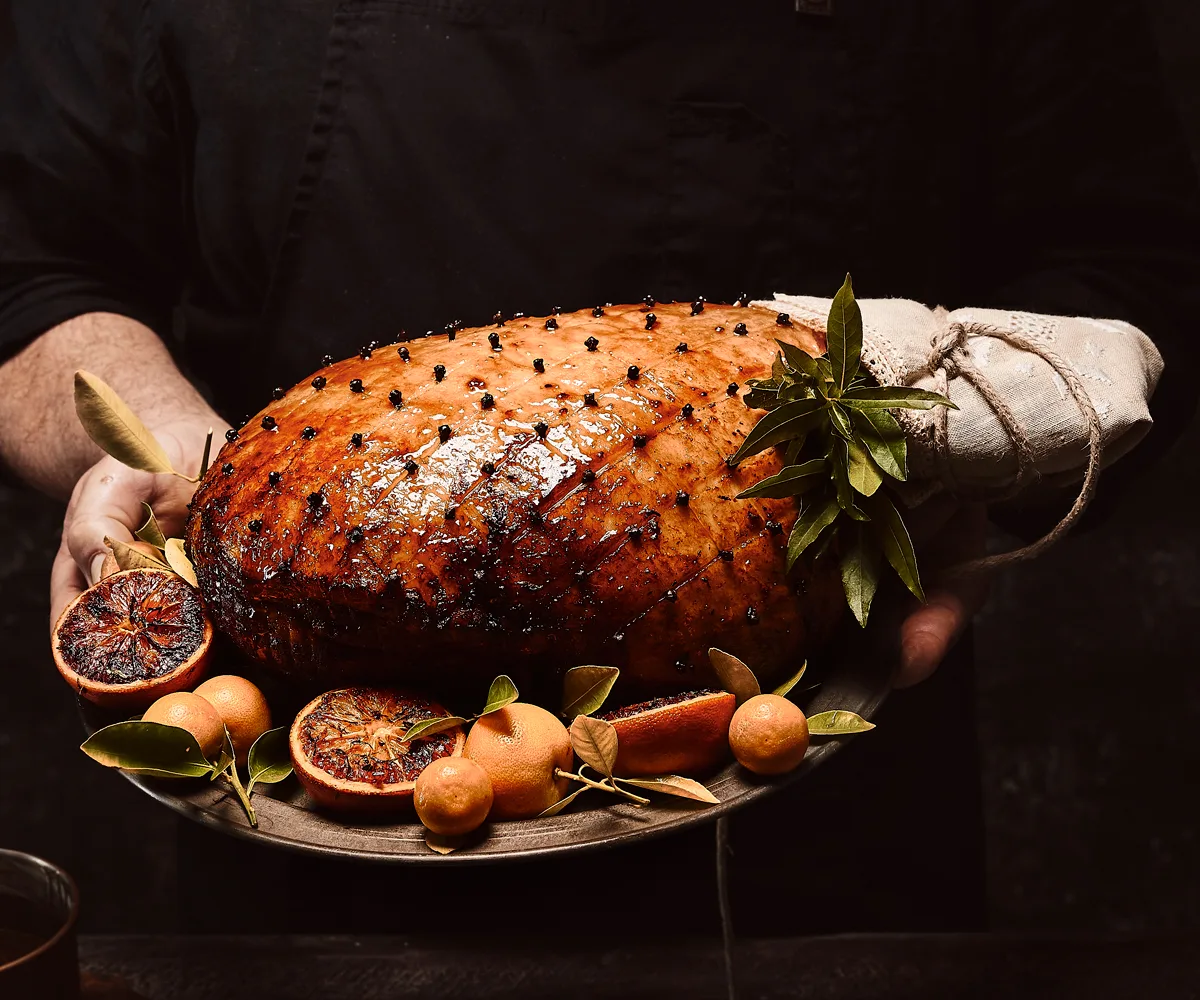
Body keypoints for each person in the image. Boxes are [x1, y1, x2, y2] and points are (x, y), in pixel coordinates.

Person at [1, 0, 1196, 939]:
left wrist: (968, 460)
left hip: (815, 820)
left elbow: (1131, 279)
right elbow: (32, 269)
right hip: (308, 834)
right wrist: (157, 442)